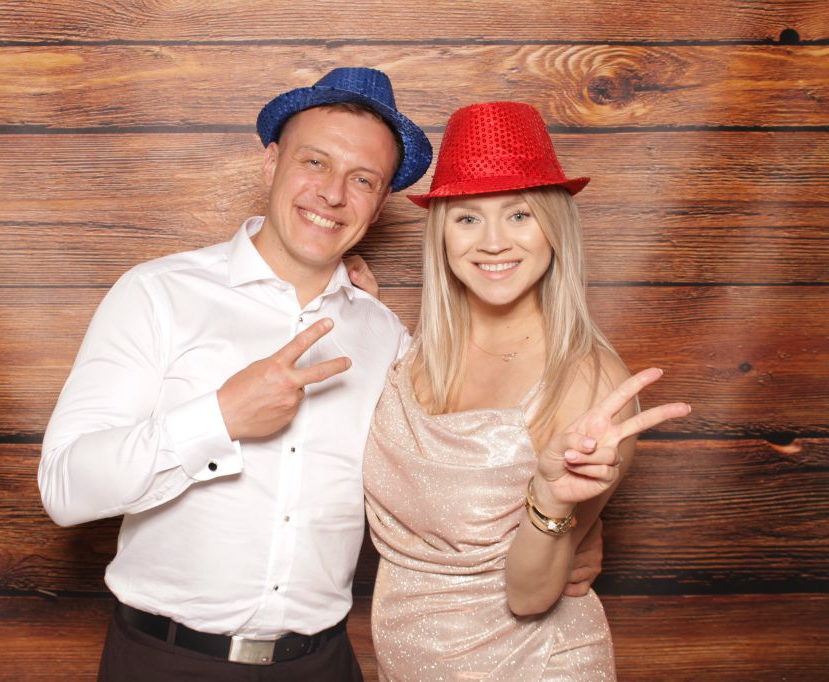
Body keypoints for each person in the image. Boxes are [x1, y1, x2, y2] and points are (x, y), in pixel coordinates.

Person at [38, 66, 432, 681]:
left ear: (379, 205)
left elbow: (428, 492)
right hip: (166, 663)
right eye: (315, 162)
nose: (332, 194)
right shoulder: (158, 294)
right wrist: (219, 416)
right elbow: (64, 489)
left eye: (362, 179)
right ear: (270, 163)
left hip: (322, 666)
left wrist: (569, 528)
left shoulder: (386, 338)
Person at [362, 102, 691, 680]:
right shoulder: (410, 352)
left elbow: (531, 596)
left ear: (554, 226)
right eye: (467, 218)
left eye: (519, 215)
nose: (493, 242)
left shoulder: (587, 382)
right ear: (442, 235)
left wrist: (553, 501)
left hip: (532, 664)